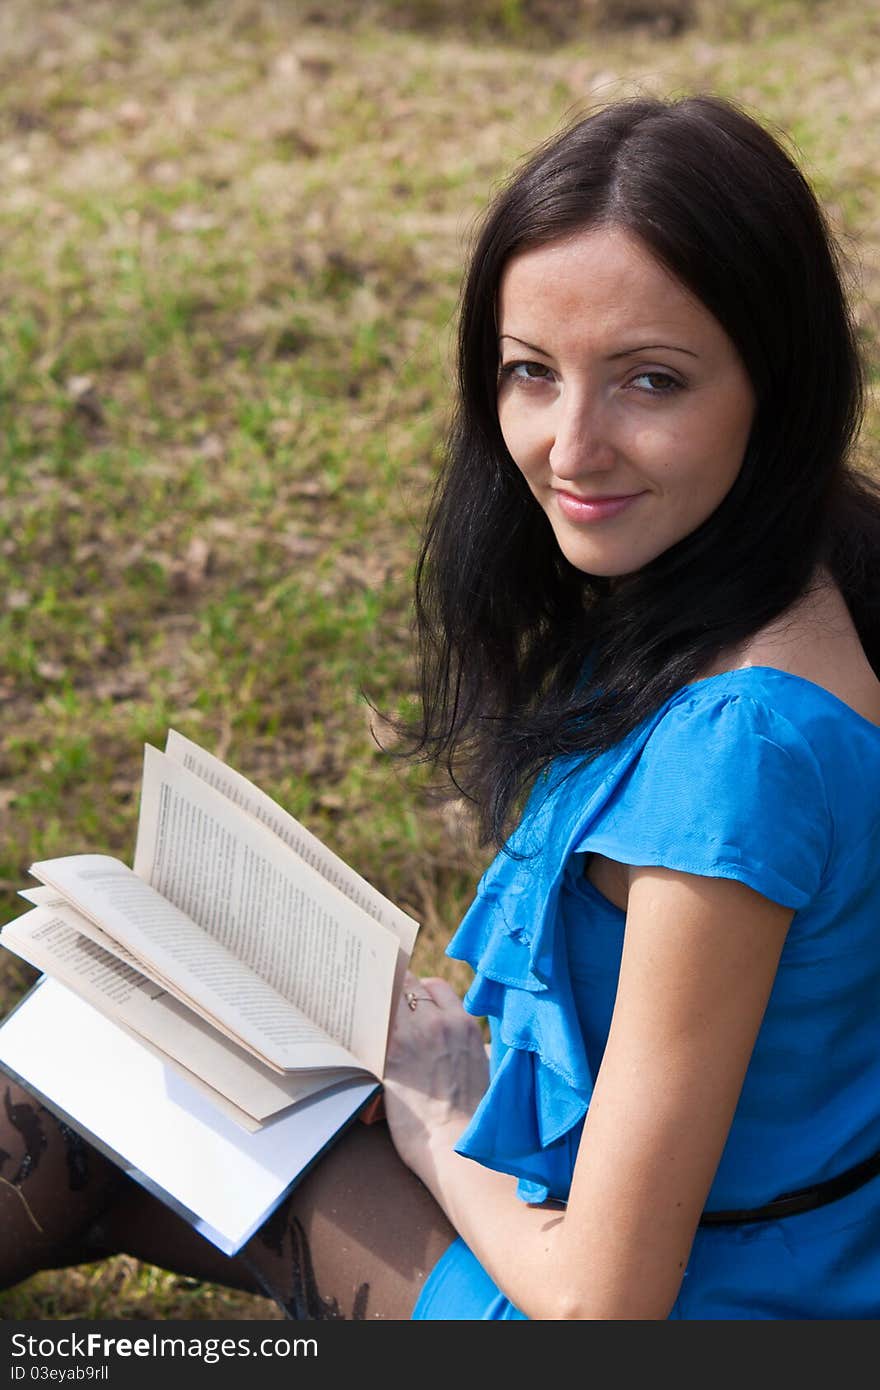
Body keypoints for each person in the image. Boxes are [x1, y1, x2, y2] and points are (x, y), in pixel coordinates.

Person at [2, 91, 880, 1320]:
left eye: (648, 380)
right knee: (99, 1081)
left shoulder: (745, 751)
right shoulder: (793, 564)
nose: (571, 446)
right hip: (743, 1249)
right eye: (531, 372)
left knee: (66, 1112)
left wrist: (436, 1112)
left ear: (772, 383)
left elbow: (602, 1302)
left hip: (671, 1307)